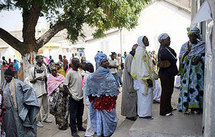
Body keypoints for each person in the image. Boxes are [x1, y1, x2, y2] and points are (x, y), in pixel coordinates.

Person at [86, 53, 119, 137]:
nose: (107, 62)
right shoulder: (98, 73)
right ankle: (105, 133)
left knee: (111, 117)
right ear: (100, 63)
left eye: (107, 60)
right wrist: (97, 92)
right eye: (104, 61)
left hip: (110, 99)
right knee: (104, 119)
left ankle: (107, 132)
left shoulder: (107, 71)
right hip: (104, 101)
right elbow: (91, 80)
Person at [2, 69, 40, 137]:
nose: (6, 78)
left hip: (17, 110)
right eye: (5, 77)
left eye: (8, 77)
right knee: (9, 127)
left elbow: (29, 90)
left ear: (12, 76)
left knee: (19, 127)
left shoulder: (18, 83)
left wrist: (26, 102)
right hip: (7, 112)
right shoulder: (4, 84)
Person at [178, 27, 205, 114]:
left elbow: (207, 57)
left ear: (197, 36)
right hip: (188, 73)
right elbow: (181, 59)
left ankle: (197, 107)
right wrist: (187, 53)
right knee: (188, 89)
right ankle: (187, 106)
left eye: (193, 36)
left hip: (198, 73)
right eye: (189, 36)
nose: (191, 38)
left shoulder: (202, 45)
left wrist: (200, 58)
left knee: (197, 88)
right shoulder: (185, 46)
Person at [131, 36, 156, 120]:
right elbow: (142, 67)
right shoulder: (141, 52)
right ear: (141, 41)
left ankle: (143, 113)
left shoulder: (142, 50)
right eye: (146, 40)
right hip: (144, 79)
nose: (148, 41)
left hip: (143, 79)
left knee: (144, 98)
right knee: (145, 97)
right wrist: (148, 78)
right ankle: (144, 115)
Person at [63, 58, 85, 137]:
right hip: (73, 97)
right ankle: (73, 131)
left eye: (78, 61)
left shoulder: (79, 71)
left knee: (80, 113)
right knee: (73, 115)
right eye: (76, 62)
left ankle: (80, 126)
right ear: (72, 64)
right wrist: (71, 94)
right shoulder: (69, 73)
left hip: (80, 96)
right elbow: (65, 85)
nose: (78, 63)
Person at [158, 33, 178, 116]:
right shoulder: (164, 49)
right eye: (168, 39)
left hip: (168, 73)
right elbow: (174, 58)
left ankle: (168, 108)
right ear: (163, 40)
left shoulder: (166, 48)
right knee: (166, 92)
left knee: (169, 91)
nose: (169, 41)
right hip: (166, 74)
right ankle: (164, 111)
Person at [30, 55, 52, 127]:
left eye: (42, 58)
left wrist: (44, 77)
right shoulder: (32, 69)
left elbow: (47, 77)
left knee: (46, 105)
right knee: (38, 106)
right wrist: (37, 79)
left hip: (44, 89)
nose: (42, 60)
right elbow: (31, 80)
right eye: (41, 58)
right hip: (37, 90)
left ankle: (45, 118)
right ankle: (37, 120)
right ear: (36, 60)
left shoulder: (44, 68)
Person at [47, 65, 69, 130]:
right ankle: (61, 125)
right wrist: (59, 88)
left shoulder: (61, 77)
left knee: (65, 110)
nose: (54, 72)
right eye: (52, 71)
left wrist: (64, 89)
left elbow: (65, 84)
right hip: (56, 99)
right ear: (50, 72)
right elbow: (50, 87)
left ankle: (65, 124)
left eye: (55, 70)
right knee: (58, 111)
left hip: (63, 97)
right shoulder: (50, 78)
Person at [121, 44, 138, 121]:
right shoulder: (130, 57)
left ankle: (133, 113)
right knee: (130, 97)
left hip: (132, 80)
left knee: (133, 97)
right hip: (129, 81)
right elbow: (131, 71)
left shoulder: (133, 57)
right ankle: (130, 115)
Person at [83, 63, 94, 137]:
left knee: (90, 115)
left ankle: (92, 130)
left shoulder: (87, 75)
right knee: (90, 116)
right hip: (89, 99)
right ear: (90, 69)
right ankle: (88, 133)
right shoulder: (89, 76)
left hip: (88, 99)